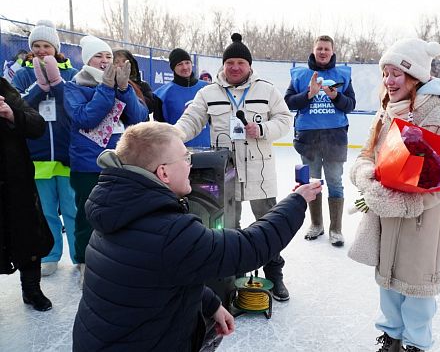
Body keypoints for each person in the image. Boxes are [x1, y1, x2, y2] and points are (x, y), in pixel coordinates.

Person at [72, 121, 321, 351]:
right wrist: (297, 201)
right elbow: (249, 248)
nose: (191, 164)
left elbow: (162, 273)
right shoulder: (168, 232)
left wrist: (211, 304)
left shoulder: (114, 212)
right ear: (164, 173)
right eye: (186, 158)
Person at [349, 38, 440, 352]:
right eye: (385, 73)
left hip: (420, 222)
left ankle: (415, 343)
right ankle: (392, 337)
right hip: (385, 219)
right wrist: (368, 180)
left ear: (417, 78)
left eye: (397, 73)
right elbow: (365, 156)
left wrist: (407, 202)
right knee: (388, 285)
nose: (389, 80)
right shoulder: (384, 115)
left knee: (416, 291)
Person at [175, 33, 294, 301]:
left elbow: (285, 120)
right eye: (230, 62)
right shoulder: (208, 93)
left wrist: (262, 128)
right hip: (224, 173)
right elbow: (190, 120)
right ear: (224, 65)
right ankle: (234, 275)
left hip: (260, 173)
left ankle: (274, 273)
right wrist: (172, 136)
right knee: (229, 227)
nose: (235, 67)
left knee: (269, 224)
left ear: (249, 66)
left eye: (241, 62)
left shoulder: (266, 90)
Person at [64, 35, 148, 285]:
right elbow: (85, 118)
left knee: (124, 212)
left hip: (121, 161)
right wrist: (107, 88)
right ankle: (85, 260)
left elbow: (139, 118)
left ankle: (119, 256)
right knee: (88, 214)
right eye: (98, 56)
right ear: (87, 59)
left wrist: (124, 90)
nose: (104, 61)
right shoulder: (74, 86)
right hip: (88, 164)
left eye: (108, 56)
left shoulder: (122, 84)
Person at [12, 19, 79, 276]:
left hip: (66, 154)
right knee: (47, 212)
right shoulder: (23, 75)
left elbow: (74, 104)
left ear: (55, 48)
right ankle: (51, 255)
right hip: (38, 156)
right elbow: (18, 106)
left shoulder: (71, 73)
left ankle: (78, 255)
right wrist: (40, 86)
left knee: (72, 210)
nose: (41, 50)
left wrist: (56, 81)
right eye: (37, 45)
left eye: (46, 46)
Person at [284, 35, 356, 247]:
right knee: (312, 183)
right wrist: (309, 93)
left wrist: (336, 97)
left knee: (334, 182)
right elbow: (289, 103)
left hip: (335, 139)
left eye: (326, 49)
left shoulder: (342, 74)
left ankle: (336, 229)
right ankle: (316, 225)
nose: (323, 52)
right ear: (314, 50)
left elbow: (350, 105)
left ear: (332, 52)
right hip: (309, 140)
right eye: (319, 48)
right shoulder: (300, 75)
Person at [0, 77, 54, 311]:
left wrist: (11, 113)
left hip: (16, 182)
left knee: (29, 236)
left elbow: (37, 124)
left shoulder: (3, 88)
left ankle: (31, 289)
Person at [153, 48, 210, 147]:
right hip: (178, 152)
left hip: (209, 150)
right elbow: (160, 132)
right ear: (173, 68)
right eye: (179, 64)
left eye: (187, 62)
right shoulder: (161, 95)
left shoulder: (207, 88)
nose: (185, 67)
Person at [113, 49, 156, 113]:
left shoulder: (143, 85)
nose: (121, 64)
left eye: (124, 61)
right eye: (116, 62)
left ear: (132, 64)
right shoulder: (108, 85)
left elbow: (150, 107)